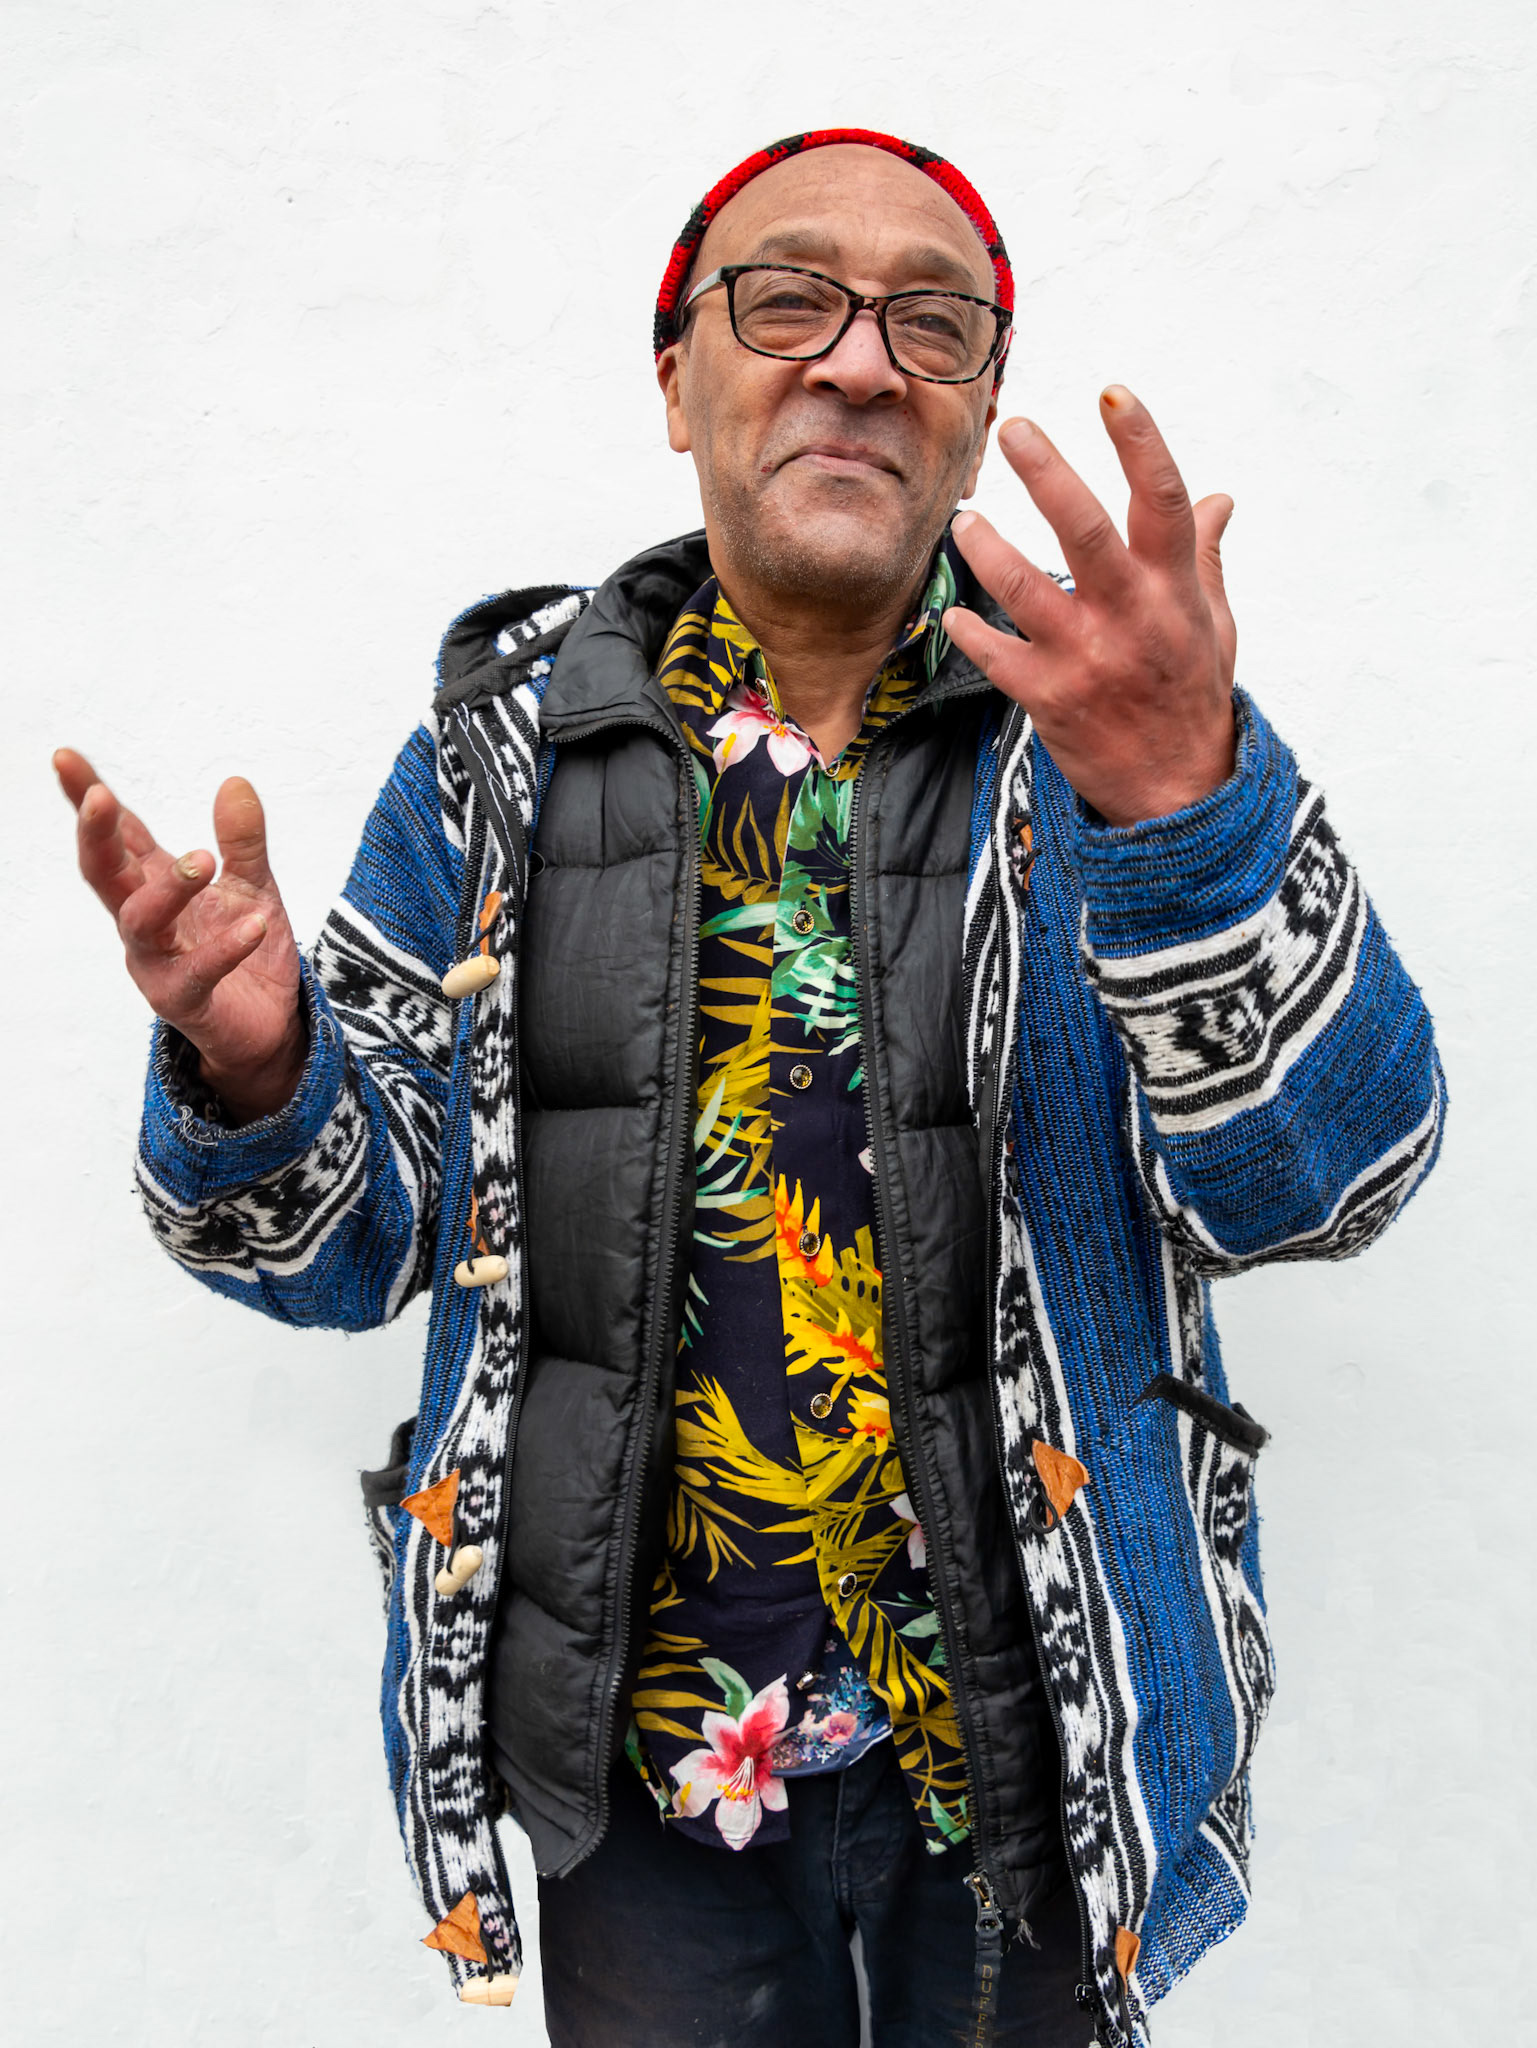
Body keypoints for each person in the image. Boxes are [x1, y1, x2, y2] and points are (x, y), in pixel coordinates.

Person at [53, 129, 1444, 2048]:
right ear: (675, 374)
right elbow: (336, 1252)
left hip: (1047, 1734)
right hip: (631, 1775)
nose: (859, 360)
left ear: (972, 416)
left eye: (930, 324)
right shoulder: (494, 761)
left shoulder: (1115, 728)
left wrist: (1190, 815)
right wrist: (259, 1060)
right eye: (786, 297)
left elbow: (1333, 1180)